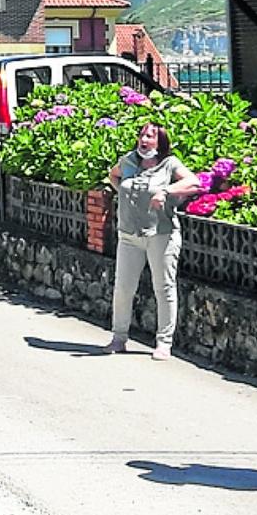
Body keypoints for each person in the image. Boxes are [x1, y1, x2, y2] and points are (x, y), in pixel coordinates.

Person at [102, 123, 201, 360]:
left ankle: (164, 343)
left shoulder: (170, 163)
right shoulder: (128, 161)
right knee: (123, 288)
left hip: (161, 235)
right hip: (129, 235)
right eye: (142, 135)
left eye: (150, 136)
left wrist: (166, 192)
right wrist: (125, 197)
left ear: (160, 142)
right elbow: (113, 175)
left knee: (164, 288)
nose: (144, 139)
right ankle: (118, 338)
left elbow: (195, 182)